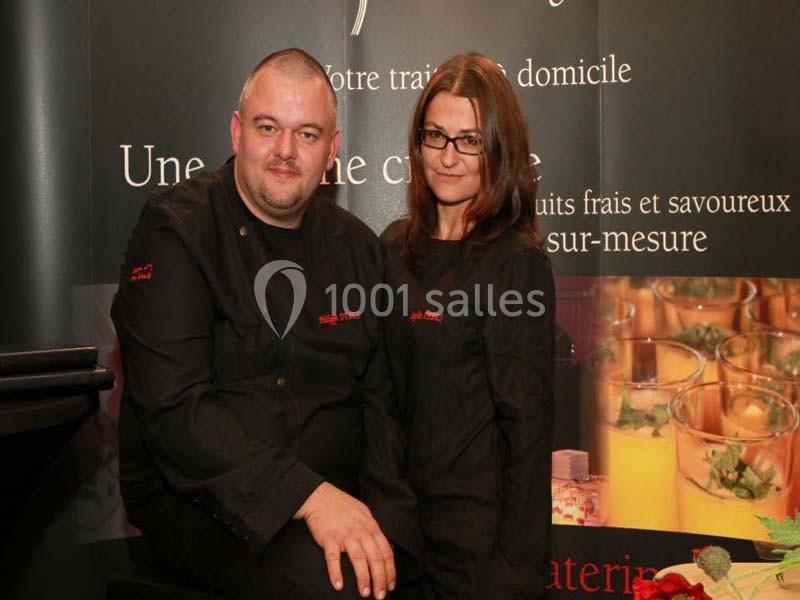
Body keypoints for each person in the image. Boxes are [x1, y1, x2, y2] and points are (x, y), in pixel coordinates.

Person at [111, 48, 421, 600]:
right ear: (236, 132)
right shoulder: (177, 231)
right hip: (197, 498)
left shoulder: (357, 248)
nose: (284, 151)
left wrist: (392, 525)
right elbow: (175, 412)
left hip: (331, 494)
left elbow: (381, 405)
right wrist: (310, 496)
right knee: (342, 590)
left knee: (414, 567)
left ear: (333, 151)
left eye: (306, 134)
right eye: (267, 127)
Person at [380, 52, 556, 599]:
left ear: (497, 151)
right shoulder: (390, 248)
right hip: (395, 542)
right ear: (418, 144)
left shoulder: (515, 263)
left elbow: (526, 433)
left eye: (469, 140)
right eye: (436, 136)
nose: (449, 157)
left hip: (478, 559)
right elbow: (377, 398)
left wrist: (516, 573)